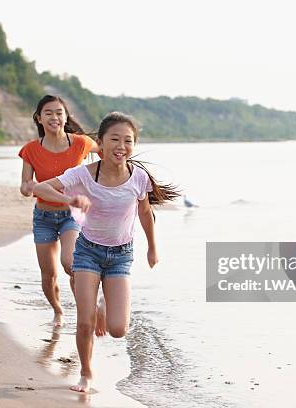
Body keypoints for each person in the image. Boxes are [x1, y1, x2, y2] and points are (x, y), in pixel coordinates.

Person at [33, 112, 179, 393]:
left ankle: (102, 304)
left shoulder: (138, 177)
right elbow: (41, 187)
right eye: (114, 139)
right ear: (100, 142)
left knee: (118, 329)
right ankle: (86, 374)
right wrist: (69, 199)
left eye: (128, 140)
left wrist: (152, 247)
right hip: (87, 252)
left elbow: (145, 212)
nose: (121, 146)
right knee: (85, 320)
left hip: (121, 256)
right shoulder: (84, 175)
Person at [19, 95, 99, 327]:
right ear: (39, 118)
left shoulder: (81, 143)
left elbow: (104, 152)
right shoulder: (30, 150)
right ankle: (58, 311)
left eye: (59, 112)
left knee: (70, 263)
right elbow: (25, 185)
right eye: (49, 113)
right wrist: (28, 188)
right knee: (49, 275)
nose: (54, 117)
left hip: (71, 215)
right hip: (43, 216)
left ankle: (86, 311)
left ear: (65, 117)